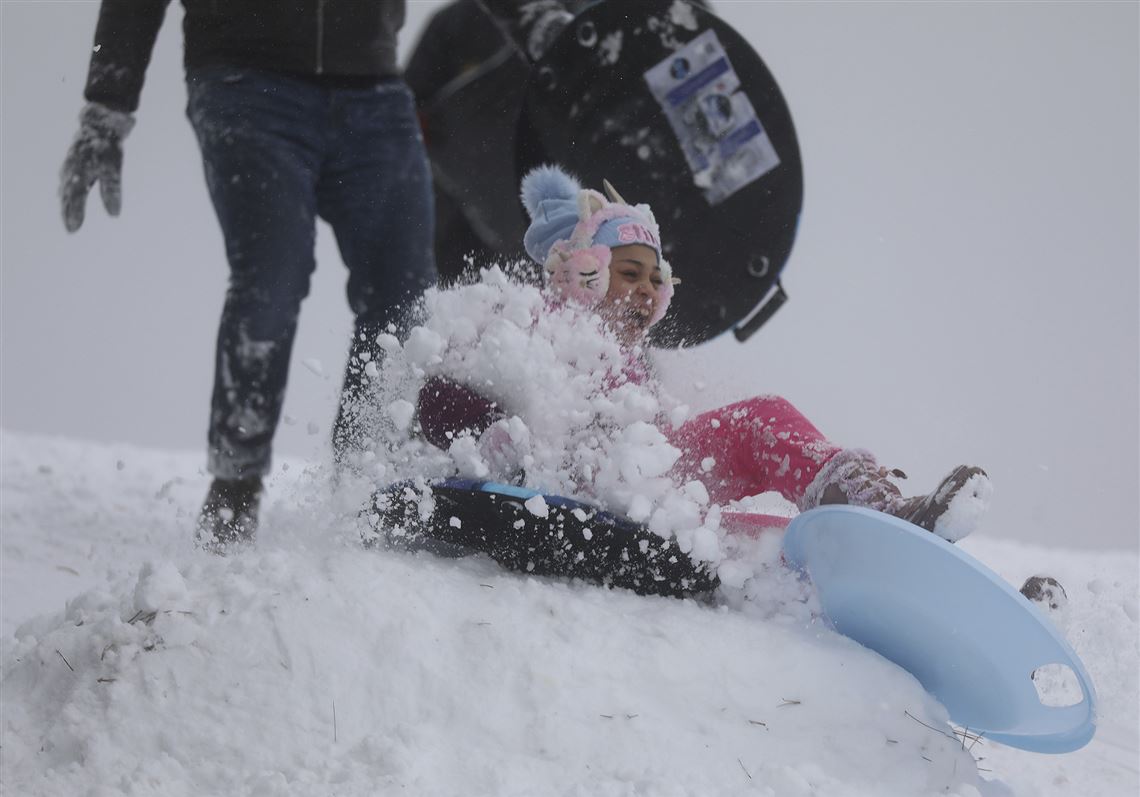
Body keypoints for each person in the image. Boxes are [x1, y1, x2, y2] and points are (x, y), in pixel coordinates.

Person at [390, 165, 992, 592]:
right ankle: (874, 530)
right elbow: (449, 399)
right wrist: (501, 446)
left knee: (759, 517)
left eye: (656, 280)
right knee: (752, 429)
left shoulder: (631, 365)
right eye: (629, 272)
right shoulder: (534, 323)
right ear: (585, 274)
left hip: (642, 486)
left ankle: (880, 525)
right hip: (572, 479)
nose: (647, 290)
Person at [59, 1, 437, 551]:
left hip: (373, 87)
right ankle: (235, 482)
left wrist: (548, 29)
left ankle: (366, 489)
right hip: (246, 79)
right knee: (272, 278)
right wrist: (105, 106)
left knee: (406, 291)